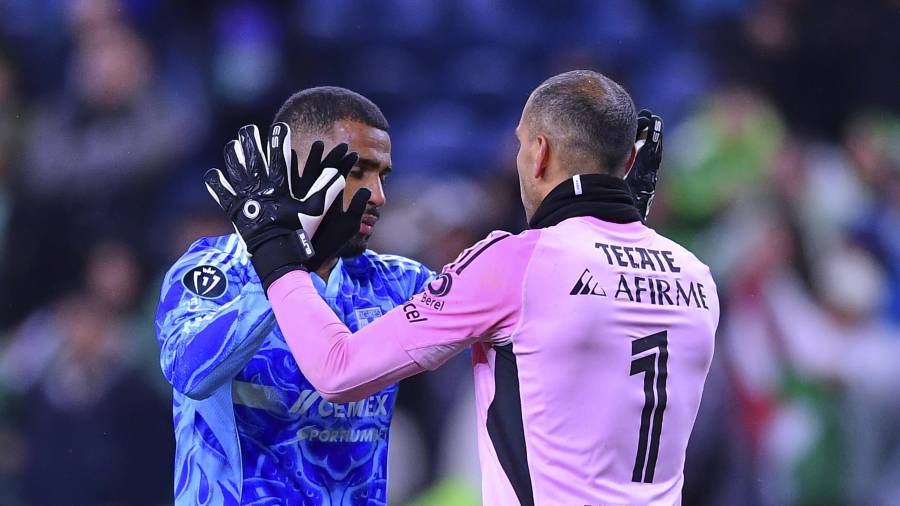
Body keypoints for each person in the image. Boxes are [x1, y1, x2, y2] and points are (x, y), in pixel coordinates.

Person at [206, 70, 716, 505]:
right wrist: (622, 209)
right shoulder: (696, 275)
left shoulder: (515, 264)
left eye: (519, 144)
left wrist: (272, 243)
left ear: (538, 153)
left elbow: (339, 370)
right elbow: (606, 325)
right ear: (628, 165)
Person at [155, 87, 435, 505]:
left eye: (383, 175)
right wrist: (285, 264)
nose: (379, 196)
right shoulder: (213, 270)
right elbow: (189, 372)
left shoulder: (399, 284)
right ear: (297, 169)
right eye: (359, 171)